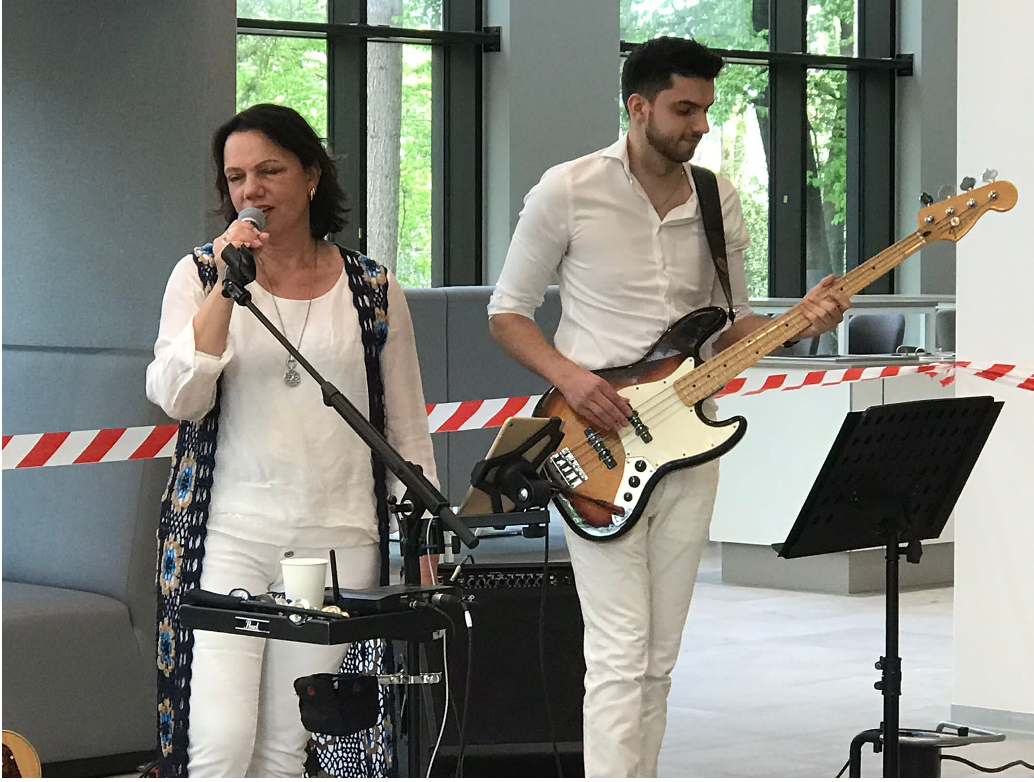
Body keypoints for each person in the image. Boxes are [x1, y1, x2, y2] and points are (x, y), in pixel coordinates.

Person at [487, 37, 851, 777]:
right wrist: (572, 377)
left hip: (691, 441)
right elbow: (508, 313)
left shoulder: (717, 198)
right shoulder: (567, 189)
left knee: (658, 659)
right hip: (593, 438)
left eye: (707, 110)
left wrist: (800, 325)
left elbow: (730, 326)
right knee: (619, 654)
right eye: (685, 109)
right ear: (639, 106)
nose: (700, 125)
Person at [146, 103, 438, 778]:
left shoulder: (372, 289)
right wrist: (224, 288)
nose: (251, 189)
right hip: (227, 540)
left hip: (334, 545)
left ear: (311, 177)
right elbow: (180, 397)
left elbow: (405, 429)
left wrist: (422, 540)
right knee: (218, 742)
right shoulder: (198, 275)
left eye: (270, 170)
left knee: (286, 742)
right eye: (237, 176)